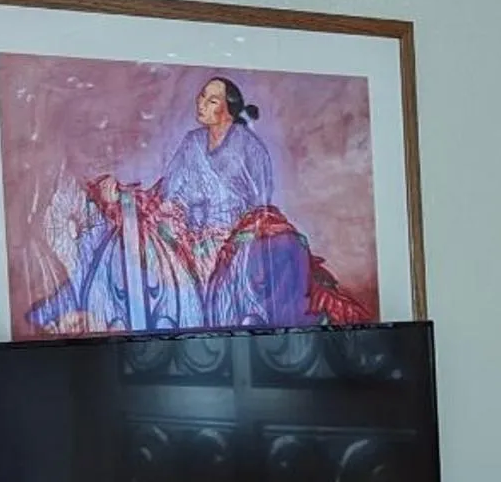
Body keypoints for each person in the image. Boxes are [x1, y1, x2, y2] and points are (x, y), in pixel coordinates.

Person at [26, 75, 366, 334]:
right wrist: (131, 200)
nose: (201, 103)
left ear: (227, 109)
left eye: (211, 99)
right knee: (128, 236)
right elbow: (169, 192)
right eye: (202, 97)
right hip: (190, 229)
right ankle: (96, 307)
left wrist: (227, 225)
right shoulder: (191, 143)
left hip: (233, 233)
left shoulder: (249, 146)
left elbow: (260, 199)